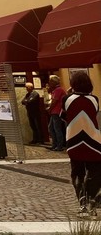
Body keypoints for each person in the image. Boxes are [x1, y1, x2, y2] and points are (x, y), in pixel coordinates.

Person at [62, 70, 101, 216]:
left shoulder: (67, 99)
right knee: (95, 172)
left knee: (77, 172)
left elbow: (64, 116)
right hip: (93, 140)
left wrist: (70, 93)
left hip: (74, 140)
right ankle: (92, 203)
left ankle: (82, 205)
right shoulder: (94, 99)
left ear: (73, 84)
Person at [47, 75, 67, 151]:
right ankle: (54, 144)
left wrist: (49, 108)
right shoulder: (55, 90)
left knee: (57, 129)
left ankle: (59, 145)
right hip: (54, 111)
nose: (49, 83)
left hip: (57, 111)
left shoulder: (58, 90)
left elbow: (54, 101)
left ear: (53, 82)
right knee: (51, 128)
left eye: (50, 82)